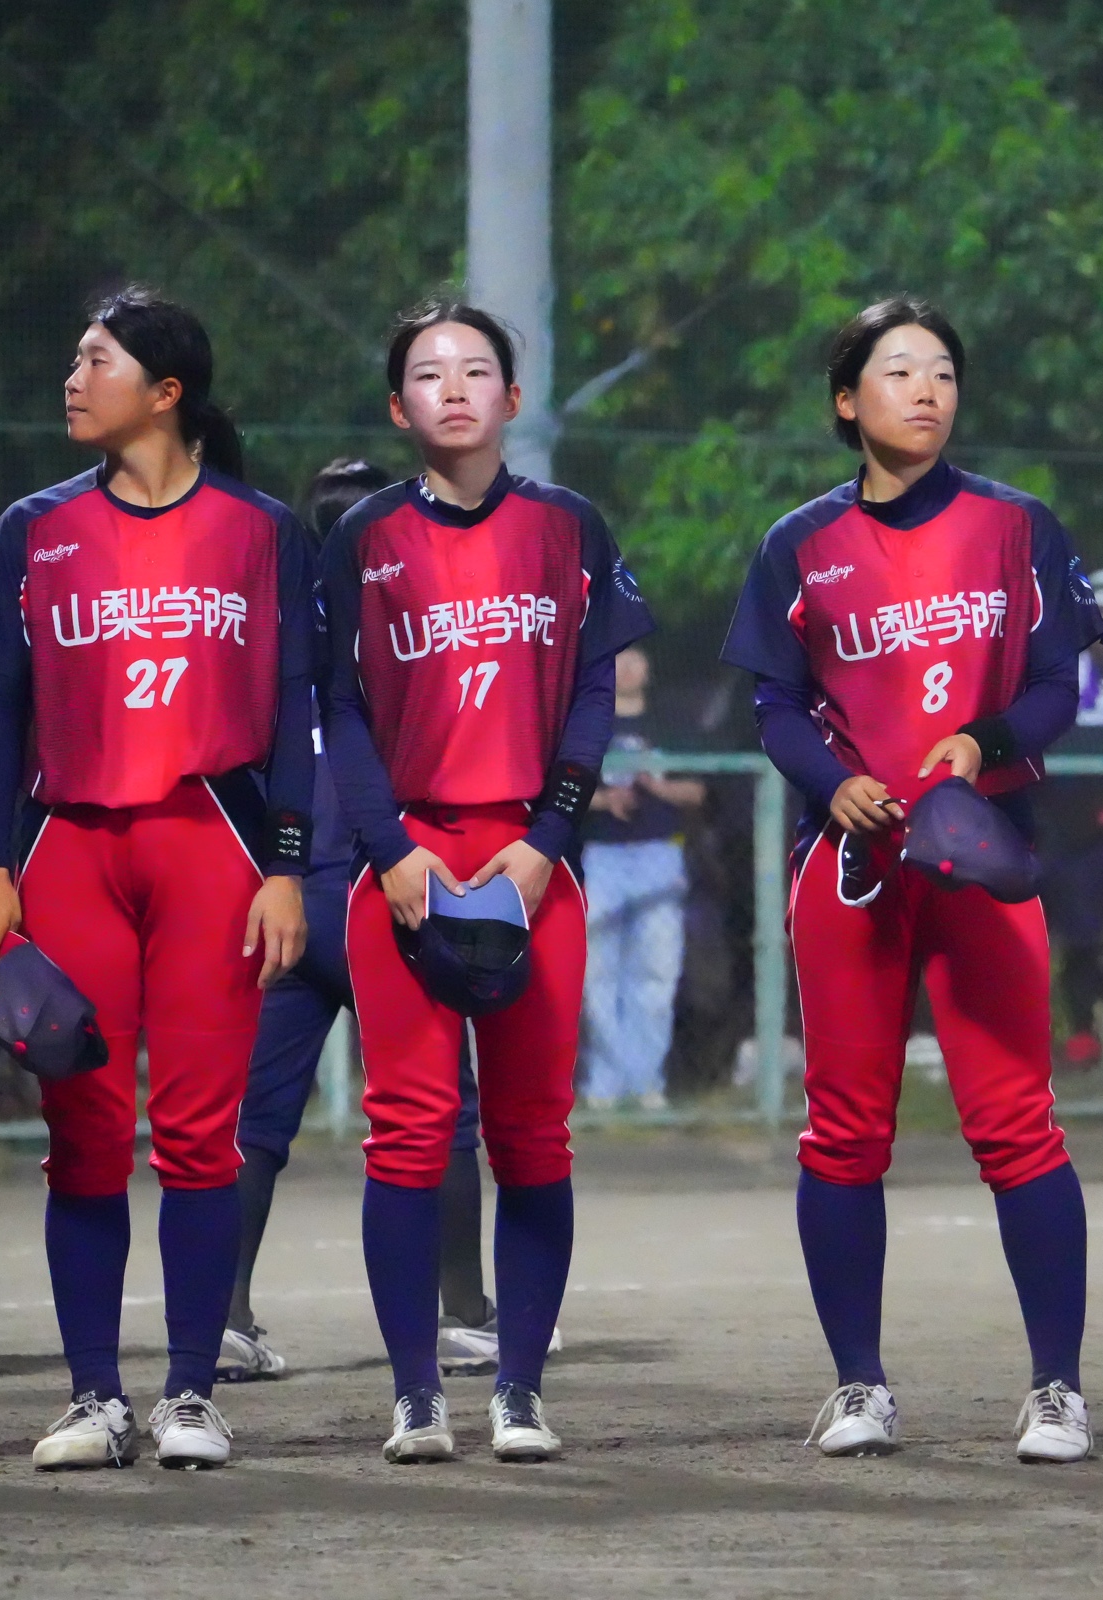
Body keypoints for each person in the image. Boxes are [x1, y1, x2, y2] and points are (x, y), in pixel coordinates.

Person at [722, 296, 1102, 1463]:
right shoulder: (800, 543)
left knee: (1018, 1124)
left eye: (942, 369)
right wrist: (834, 781)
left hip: (982, 857)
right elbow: (775, 703)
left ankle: (1057, 1389)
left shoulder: (1017, 525)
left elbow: (1059, 683)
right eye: (897, 371)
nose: (926, 389)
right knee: (844, 1131)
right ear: (848, 401)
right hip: (852, 868)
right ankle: (859, 1384)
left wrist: (984, 742)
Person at [0, 286, 315, 1469]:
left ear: (166, 392)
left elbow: (295, 706)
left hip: (213, 845)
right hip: (69, 851)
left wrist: (287, 866)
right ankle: (94, 1397)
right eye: (74, 358)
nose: (72, 377)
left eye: (95, 359)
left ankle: (192, 1395)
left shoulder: (262, 529)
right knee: (85, 1130)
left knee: (201, 1134)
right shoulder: (34, 528)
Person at [322, 301, 653, 1464]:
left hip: (529, 860)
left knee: (532, 1136)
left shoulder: (568, 525)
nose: (454, 388)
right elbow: (339, 707)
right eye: (428, 372)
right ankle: (417, 1392)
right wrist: (389, 851)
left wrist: (549, 837)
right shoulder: (363, 535)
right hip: (407, 861)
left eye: (477, 370)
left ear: (513, 398)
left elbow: (595, 693)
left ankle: (518, 1387)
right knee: (408, 1135)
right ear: (397, 406)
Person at [220, 460, 505, 1385]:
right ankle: (463, 1315)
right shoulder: (410, 627)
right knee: (443, 1106)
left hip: (287, 898)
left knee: (255, 1118)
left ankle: (224, 1319)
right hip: (381, 896)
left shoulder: (270, 635)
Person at [580, 645, 703, 1110]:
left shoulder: (671, 722)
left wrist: (656, 786)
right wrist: (604, 800)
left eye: (637, 658)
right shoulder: (585, 723)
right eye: (619, 659)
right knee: (598, 972)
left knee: (656, 970)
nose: (630, 667)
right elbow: (561, 789)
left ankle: (647, 1081)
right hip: (603, 856)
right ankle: (604, 1085)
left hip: (659, 854)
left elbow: (698, 790)